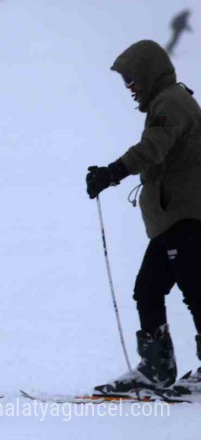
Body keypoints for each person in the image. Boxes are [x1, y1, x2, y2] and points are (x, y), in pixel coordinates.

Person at [87, 40, 201, 397]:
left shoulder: (170, 103)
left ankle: (156, 369)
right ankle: (156, 367)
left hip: (185, 217)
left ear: (149, 74)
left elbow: (153, 148)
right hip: (178, 217)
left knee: (174, 290)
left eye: (132, 80)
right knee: (157, 290)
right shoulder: (171, 100)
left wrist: (112, 172)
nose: (131, 88)